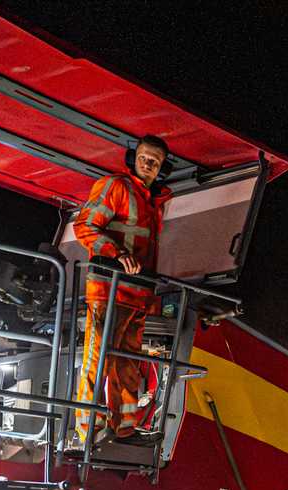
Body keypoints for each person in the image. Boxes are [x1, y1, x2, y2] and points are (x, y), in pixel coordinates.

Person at [71, 134, 172, 443]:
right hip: (108, 291)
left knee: (127, 364)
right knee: (97, 360)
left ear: (161, 169)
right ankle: (88, 431)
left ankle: (124, 428)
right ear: (133, 159)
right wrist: (117, 254)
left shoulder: (154, 203)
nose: (148, 164)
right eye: (144, 158)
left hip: (138, 295)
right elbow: (85, 226)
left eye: (155, 162)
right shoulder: (116, 187)